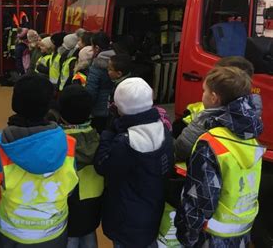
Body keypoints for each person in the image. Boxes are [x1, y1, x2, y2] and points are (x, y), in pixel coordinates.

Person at [175, 67, 264, 247]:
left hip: (211, 235)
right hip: (241, 229)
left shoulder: (211, 141)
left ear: (214, 97)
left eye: (204, 91)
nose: (202, 96)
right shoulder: (249, 135)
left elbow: (201, 199)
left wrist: (188, 236)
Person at [0, 74, 79, 247]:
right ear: (49, 105)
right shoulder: (69, 144)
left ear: (15, 103)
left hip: (10, 233)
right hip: (54, 233)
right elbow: (71, 188)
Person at [95, 77, 174, 248]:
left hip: (126, 217)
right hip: (153, 210)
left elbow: (102, 166)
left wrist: (108, 133)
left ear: (119, 107)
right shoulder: (164, 130)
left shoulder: (125, 142)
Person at [174, 56, 262, 161]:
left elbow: (180, 150)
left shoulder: (205, 120)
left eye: (204, 90)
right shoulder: (251, 118)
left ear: (214, 98)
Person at [59, 85, 103, 248]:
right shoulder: (99, 137)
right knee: (89, 233)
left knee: (70, 238)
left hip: (68, 201)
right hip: (94, 200)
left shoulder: (60, 142)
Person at [86, 32, 116, 133]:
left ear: (97, 48)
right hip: (113, 107)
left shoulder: (97, 66)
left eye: (92, 46)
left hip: (98, 109)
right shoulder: (117, 60)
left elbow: (91, 90)